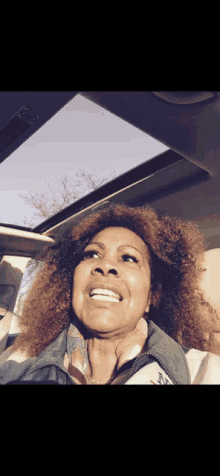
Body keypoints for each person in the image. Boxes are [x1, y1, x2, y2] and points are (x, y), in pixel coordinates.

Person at [0, 203, 220, 385]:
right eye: (92, 254)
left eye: (129, 258)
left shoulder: (205, 371)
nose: (105, 265)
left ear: (153, 295)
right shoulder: (15, 369)